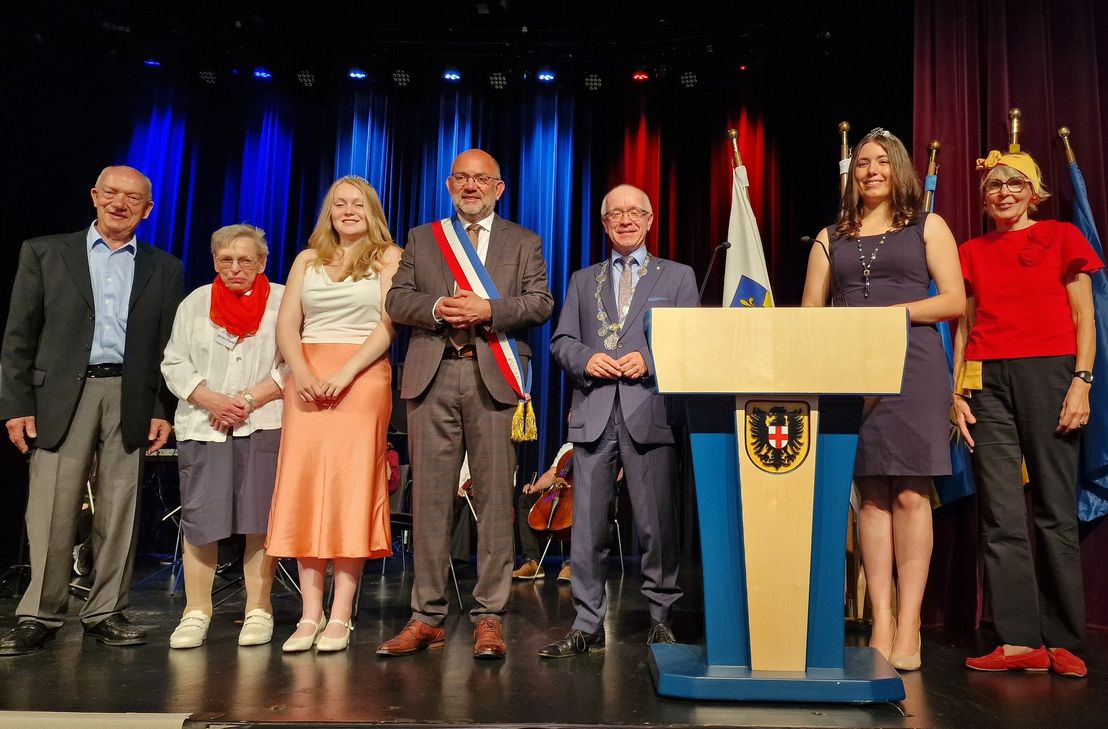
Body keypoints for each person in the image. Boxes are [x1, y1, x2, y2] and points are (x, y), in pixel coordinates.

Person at [0, 166, 183, 656]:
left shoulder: (165, 267)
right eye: (111, 193)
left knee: (119, 508)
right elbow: (19, 335)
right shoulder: (43, 251)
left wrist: (163, 407)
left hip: (130, 395)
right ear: (94, 196)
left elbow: (169, 346)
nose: (119, 203)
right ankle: (39, 613)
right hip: (59, 395)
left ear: (148, 209)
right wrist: (16, 404)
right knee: (52, 509)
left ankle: (106, 611)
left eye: (133, 198)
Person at [379, 149, 553, 660]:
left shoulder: (524, 241)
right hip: (431, 377)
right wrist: (436, 308)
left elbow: (540, 302)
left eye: (481, 179)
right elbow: (397, 300)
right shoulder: (422, 237)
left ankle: (489, 616)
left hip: (494, 378)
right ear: (449, 184)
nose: (470, 186)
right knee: (430, 501)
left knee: (497, 500)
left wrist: (489, 309)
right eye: (461, 178)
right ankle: (426, 617)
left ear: (499, 188)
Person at [800, 128, 964, 671]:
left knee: (912, 496)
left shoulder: (927, 225)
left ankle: (911, 622)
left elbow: (954, 300)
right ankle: (882, 620)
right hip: (852, 371)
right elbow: (810, 314)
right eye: (862, 163)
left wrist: (895, 315)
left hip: (914, 366)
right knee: (869, 497)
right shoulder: (830, 236)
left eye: (881, 162)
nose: (871, 170)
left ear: (899, 170)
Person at [954, 150, 1099, 679]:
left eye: (1015, 183)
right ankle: (1018, 641)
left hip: (1052, 374)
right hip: (988, 379)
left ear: (1034, 191)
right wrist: (957, 391)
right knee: (1000, 513)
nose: (1004, 192)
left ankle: (1063, 640)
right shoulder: (970, 250)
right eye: (993, 185)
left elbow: (1086, 317)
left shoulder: (1062, 236)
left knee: (1055, 511)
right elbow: (966, 328)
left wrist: (1081, 383)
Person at [541, 183, 698, 658]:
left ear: (651, 220)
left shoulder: (677, 276)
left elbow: (690, 337)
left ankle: (659, 619)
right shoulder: (581, 279)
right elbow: (561, 341)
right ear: (605, 224)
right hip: (592, 413)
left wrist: (648, 358)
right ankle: (587, 624)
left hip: (649, 411)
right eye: (616, 214)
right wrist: (587, 359)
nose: (626, 220)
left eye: (636, 213)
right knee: (587, 528)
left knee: (656, 526)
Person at [266, 176, 402, 653]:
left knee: (348, 489)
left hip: (361, 376)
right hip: (306, 376)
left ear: (371, 211)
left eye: (357, 204)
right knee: (306, 488)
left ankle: (341, 614)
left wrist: (344, 373)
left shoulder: (388, 257)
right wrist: (300, 372)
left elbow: (390, 322)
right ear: (329, 211)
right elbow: (287, 324)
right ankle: (308, 615)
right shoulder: (307, 259)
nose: (348, 211)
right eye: (339, 203)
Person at [160, 223, 285, 648]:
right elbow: (174, 363)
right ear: (215, 261)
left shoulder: (284, 301)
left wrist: (247, 400)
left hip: (264, 423)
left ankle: (258, 609)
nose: (235, 267)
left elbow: (292, 364)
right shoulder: (194, 302)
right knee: (202, 522)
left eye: (245, 260)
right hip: (204, 425)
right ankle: (196, 611)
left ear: (262, 262)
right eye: (225, 260)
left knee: (259, 522)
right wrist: (212, 399)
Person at [513, 441, 574, 582]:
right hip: (556, 494)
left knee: (582, 504)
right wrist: (536, 487)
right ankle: (531, 561)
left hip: (578, 494)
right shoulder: (567, 448)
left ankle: (575, 562)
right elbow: (552, 473)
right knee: (526, 500)